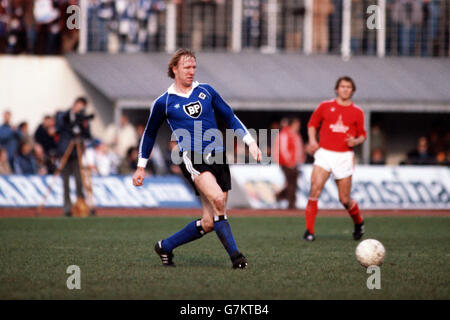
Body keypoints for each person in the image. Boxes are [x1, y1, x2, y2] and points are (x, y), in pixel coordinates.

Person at [133, 48, 262, 269]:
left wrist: (250, 142)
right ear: (174, 69)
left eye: (194, 67)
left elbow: (230, 117)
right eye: (186, 67)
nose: (191, 71)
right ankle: (237, 258)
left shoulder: (206, 91)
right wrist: (140, 166)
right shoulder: (163, 102)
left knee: (210, 221)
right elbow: (150, 133)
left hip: (218, 156)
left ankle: (165, 246)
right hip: (192, 157)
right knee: (219, 201)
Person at [302, 76, 366, 241]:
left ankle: (359, 222)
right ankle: (309, 231)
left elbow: (363, 135)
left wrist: (356, 141)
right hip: (324, 153)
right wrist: (313, 140)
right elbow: (312, 124)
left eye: (348, 87)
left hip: (344, 156)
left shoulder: (357, 111)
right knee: (314, 189)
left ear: (352, 91)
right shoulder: (325, 106)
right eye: (342, 86)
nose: (345, 89)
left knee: (344, 199)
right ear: (336, 89)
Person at [56, 97, 92, 217]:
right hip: (66, 150)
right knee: (65, 181)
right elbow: (60, 125)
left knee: (79, 180)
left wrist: (84, 124)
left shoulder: (82, 119)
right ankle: (67, 207)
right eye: (79, 105)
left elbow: (87, 134)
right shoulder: (64, 115)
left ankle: (81, 205)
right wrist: (72, 113)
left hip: (77, 153)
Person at [273, 117, 305, 209]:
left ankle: (281, 196)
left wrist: (300, 160)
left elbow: (299, 149)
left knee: (292, 183)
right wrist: (289, 161)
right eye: (296, 124)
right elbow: (283, 149)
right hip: (286, 163)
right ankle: (291, 204)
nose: (298, 126)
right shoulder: (285, 134)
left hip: (295, 163)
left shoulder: (296, 135)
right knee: (291, 183)